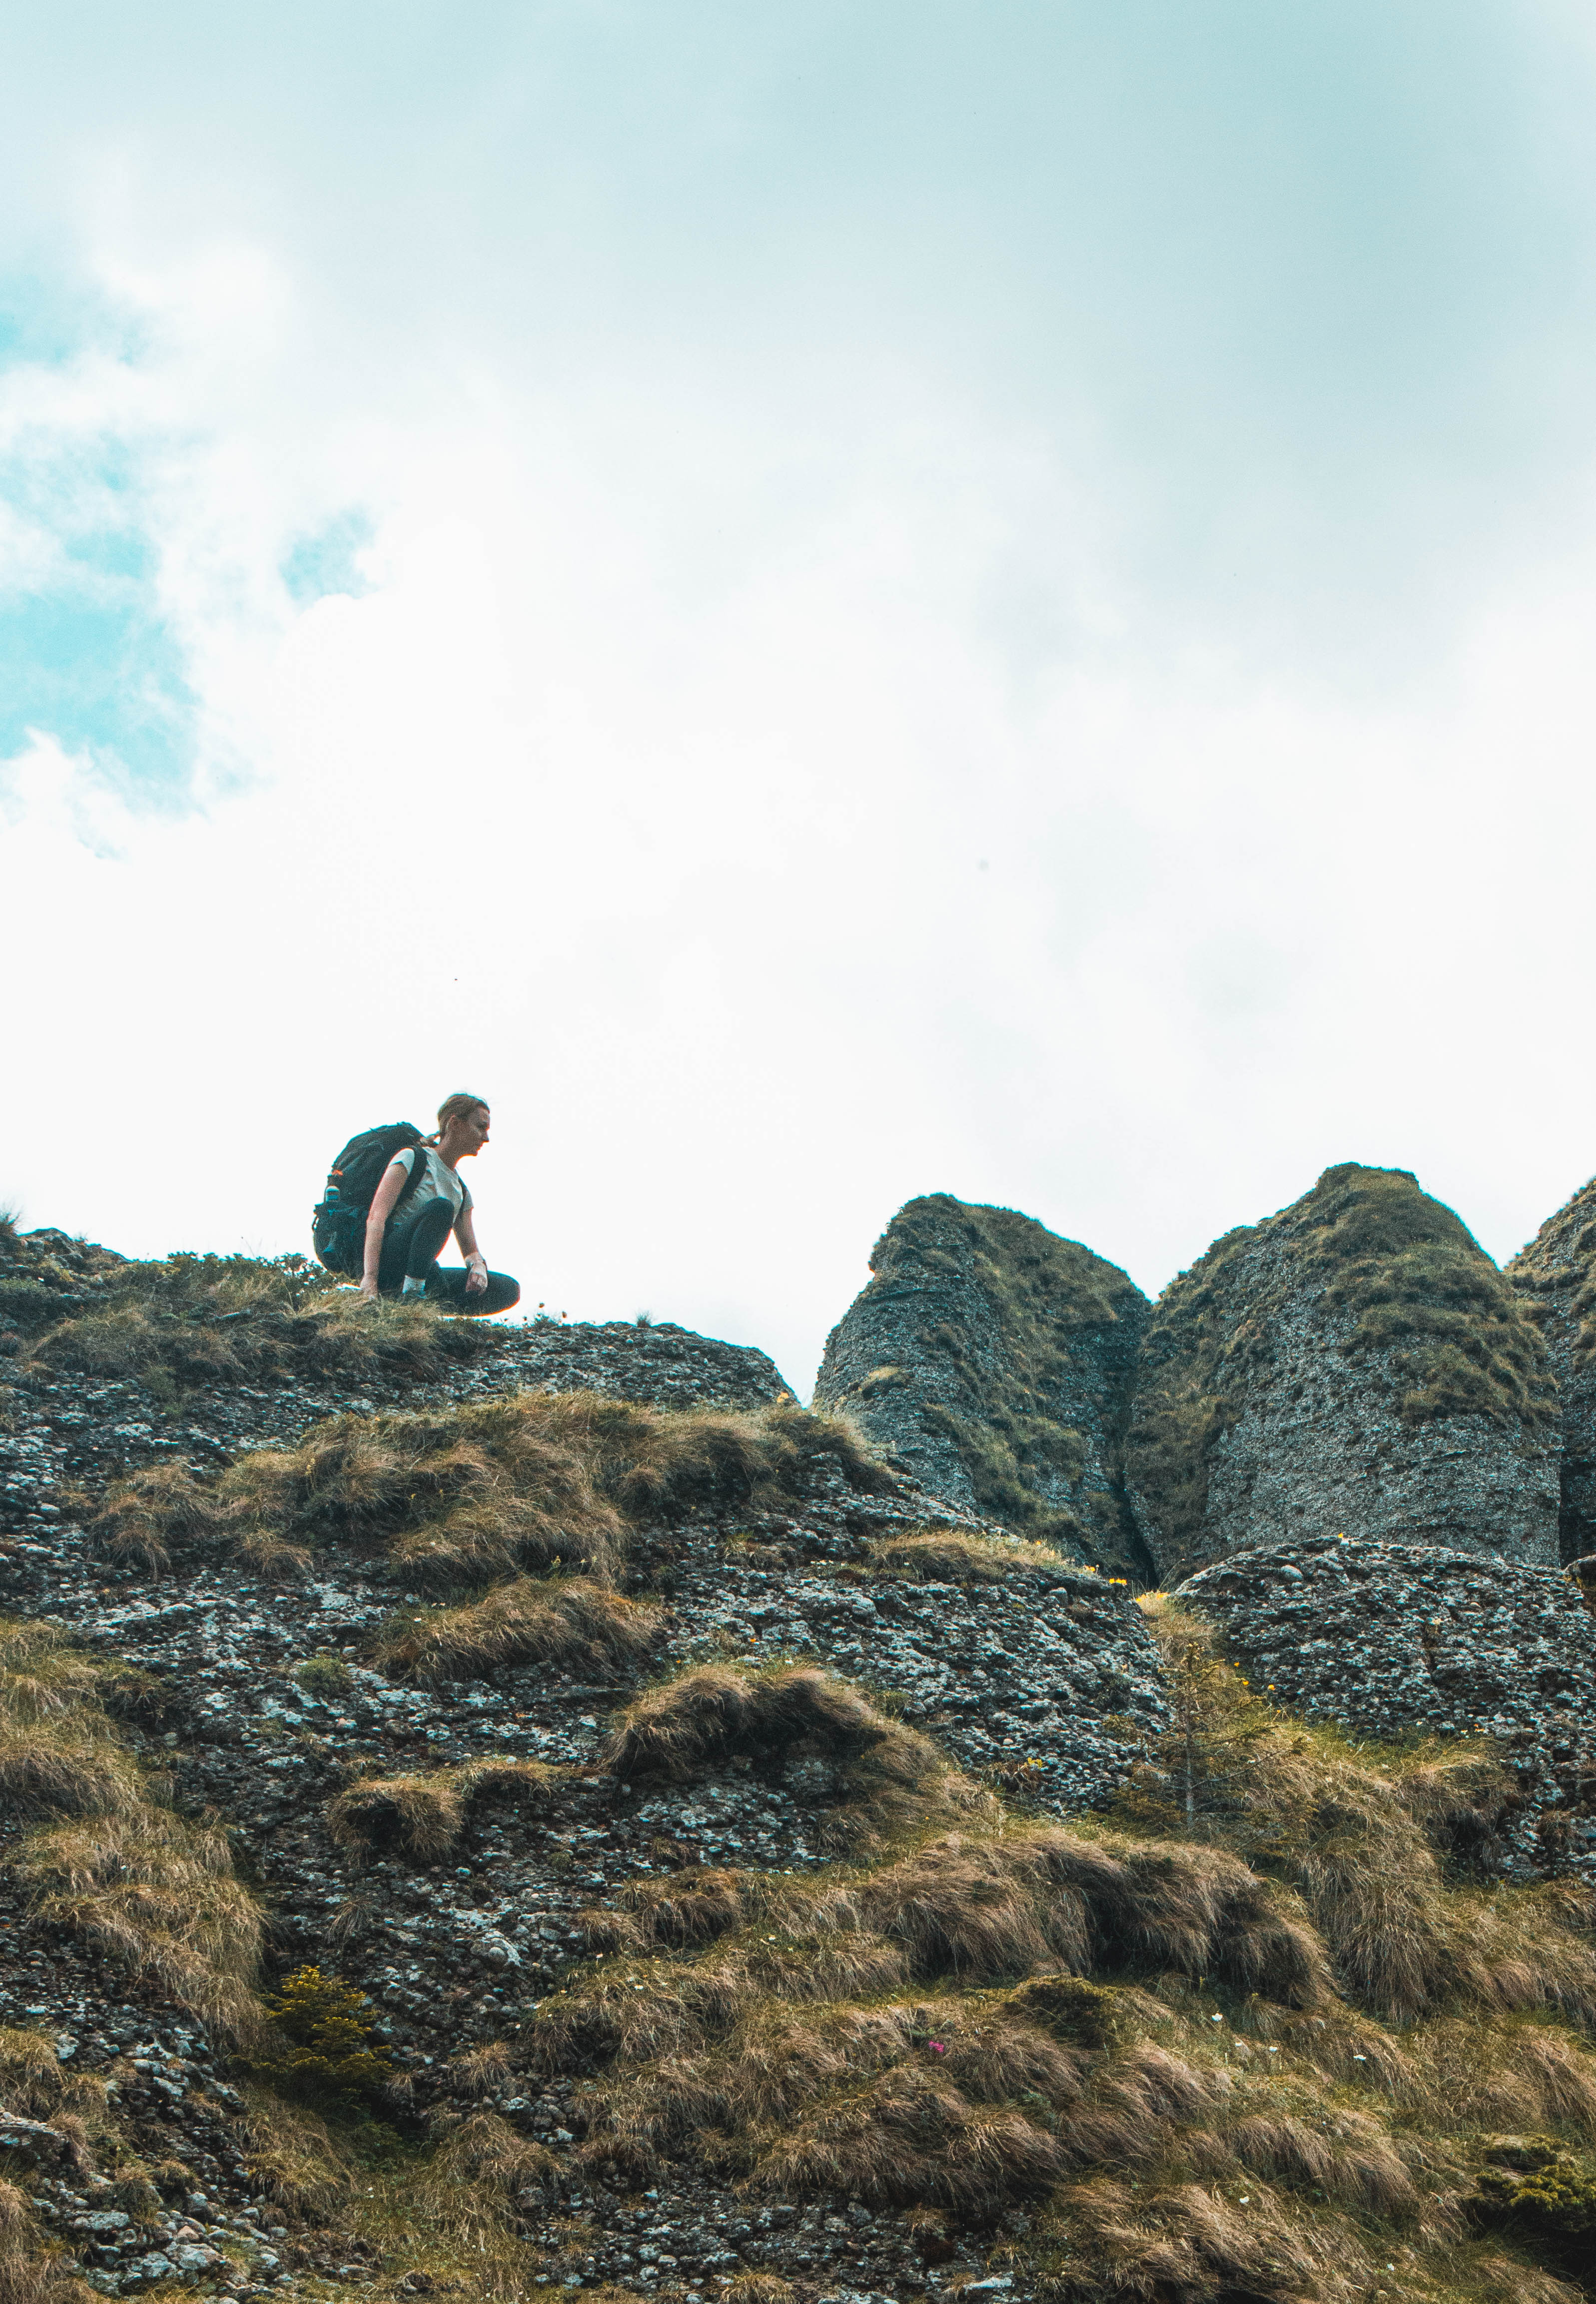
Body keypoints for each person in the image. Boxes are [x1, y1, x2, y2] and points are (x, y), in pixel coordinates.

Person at [359, 1093, 520, 1313]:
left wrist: (479, 1267)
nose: (486, 1138)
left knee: (507, 1289)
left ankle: (418, 1300)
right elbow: (376, 1219)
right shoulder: (412, 1158)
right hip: (389, 1262)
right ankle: (411, 1296)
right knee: (442, 1208)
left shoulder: (462, 1191)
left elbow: (471, 1252)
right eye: (481, 1127)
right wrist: (370, 1280)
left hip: (424, 1270)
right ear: (455, 1123)